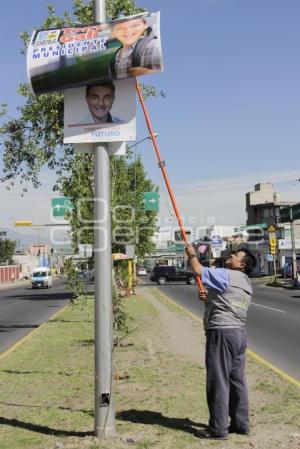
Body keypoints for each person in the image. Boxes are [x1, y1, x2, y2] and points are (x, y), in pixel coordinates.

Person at [185, 243, 256, 440]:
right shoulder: (246, 282)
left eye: (235, 255)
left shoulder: (227, 274)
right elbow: (229, 302)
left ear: (241, 265)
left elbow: (198, 270)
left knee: (218, 381)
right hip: (238, 335)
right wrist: (209, 300)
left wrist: (191, 255)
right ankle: (241, 425)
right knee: (237, 381)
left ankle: (218, 429)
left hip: (222, 334)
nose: (230, 256)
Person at [110, 14, 162, 79]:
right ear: (113, 33)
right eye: (121, 28)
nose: (128, 30)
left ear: (145, 25)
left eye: (135, 25)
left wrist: (147, 72)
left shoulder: (152, 46)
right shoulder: (114, 57)